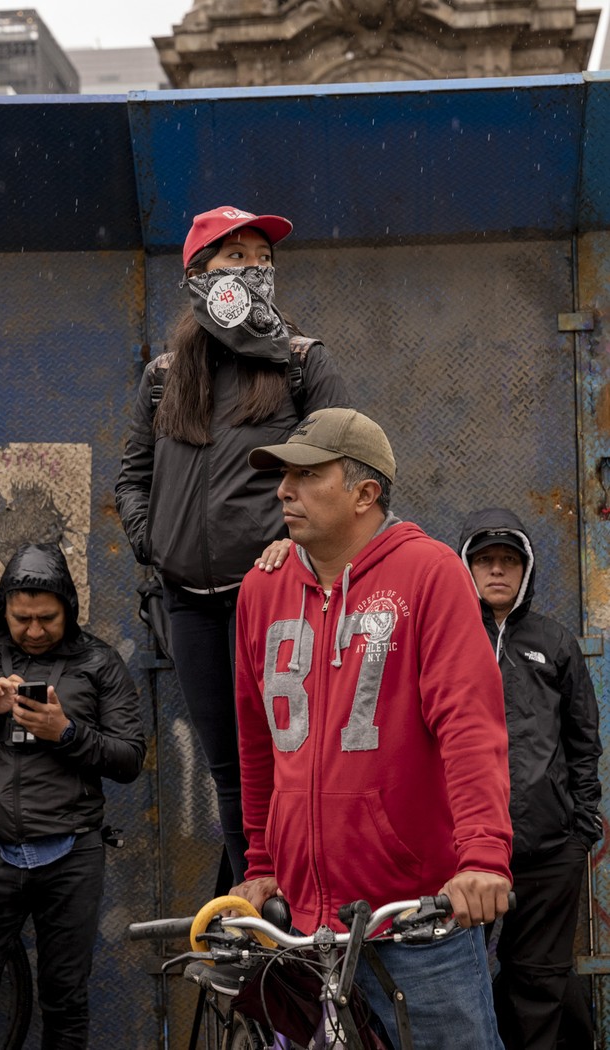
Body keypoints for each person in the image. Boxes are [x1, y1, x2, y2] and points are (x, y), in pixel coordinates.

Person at [231, 407, 513, 1050]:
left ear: (365, 493)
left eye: (306, 474)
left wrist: (482, 859)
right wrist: (262, 860)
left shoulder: (430, 573)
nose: (284, 490)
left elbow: (469, 725)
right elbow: (258, 741)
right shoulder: (261, 588)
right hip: (303, 932)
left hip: (419, 923)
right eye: (284, 476)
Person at [115, 205, 348, 886]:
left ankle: (318, 905)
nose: (252, 269)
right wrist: (154, 544)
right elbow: (132, 476)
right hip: (187, 604)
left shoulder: (303, 361)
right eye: (233, 258)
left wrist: (300, 548)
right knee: (233, 767)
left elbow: (348, 468)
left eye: (260, 257)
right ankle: (260, 907)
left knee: (297, 757)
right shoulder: (164, 375)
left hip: (277, 597)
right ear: (198, 276)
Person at [0, 542, 146, 1050]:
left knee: (65, 1002)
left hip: (71, 857)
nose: (35, 630)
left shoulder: (99, 662)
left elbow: (131, 758)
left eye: (47, 618)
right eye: (22, 618)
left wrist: (66, 731)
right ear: (3, 608)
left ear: (69, 609)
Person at [458, 508, 602, 1050]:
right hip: (462, 855)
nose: (498, 571)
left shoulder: (554, 643)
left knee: (538, 979)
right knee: (452, 980)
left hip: (547, 851)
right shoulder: (445, 637)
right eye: (486, 561)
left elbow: (583, 740)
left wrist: (580, 830)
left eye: (509, 561)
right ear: (465, 568)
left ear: (527, 570)